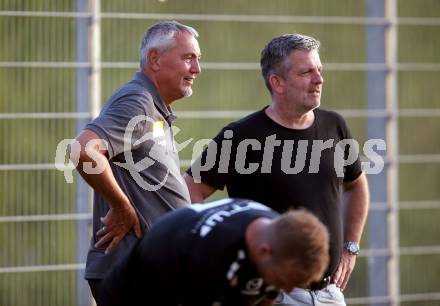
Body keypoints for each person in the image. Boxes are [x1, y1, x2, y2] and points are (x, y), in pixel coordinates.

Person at [184, 33, 369, 305]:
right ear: (277, 82)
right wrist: (222, 249)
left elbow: (356, 185)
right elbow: (191, 189)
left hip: (330, 293)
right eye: (307, 72)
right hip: (272, 294)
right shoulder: (242, 136)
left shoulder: (334, 125)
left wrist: (350, 247)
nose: (319, 80)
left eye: (319, 70)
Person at [70, 21, 201, 301]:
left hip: (151, 271)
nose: (196, 69)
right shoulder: (138, 101)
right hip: (134, 274)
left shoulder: (153, 106)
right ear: (155, 59)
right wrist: (121, 206)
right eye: (188, 58)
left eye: (197, 60)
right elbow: (84, 150)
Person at [98, 198, 330, 306]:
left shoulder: (277, 235)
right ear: (264, 251)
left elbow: (263, 297)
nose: (288, 289)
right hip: (132, 296)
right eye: (284, 280)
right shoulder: (208, 258)